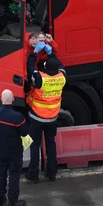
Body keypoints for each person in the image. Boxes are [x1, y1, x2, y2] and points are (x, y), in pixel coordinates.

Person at [25, 43, 66, 183]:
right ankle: (52, 173)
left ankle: (33, 175)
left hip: (37, 118)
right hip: (52, 118)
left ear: (45, 68)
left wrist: (34, 53)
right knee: (50, 144)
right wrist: (51, 54)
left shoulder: (39, 78)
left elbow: (30, 67)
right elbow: (60, 65)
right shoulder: (62, 77)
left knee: (34, 145)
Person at [0, 89, 29, 206]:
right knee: (14, 176)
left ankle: (0, 199)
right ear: (13, 100)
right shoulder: (17, 117)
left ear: (0, 99)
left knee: (0, 174)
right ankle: (13, 202)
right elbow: (25, 132)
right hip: (14, 153)